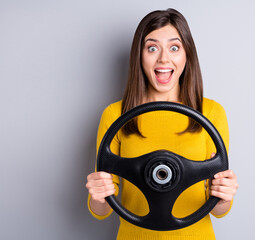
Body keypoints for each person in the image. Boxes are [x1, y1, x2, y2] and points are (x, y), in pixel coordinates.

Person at [86, 8, 239, 239]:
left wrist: (224, 195)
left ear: (187, 55)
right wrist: (98, 195)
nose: (164, 59)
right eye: (152, 47)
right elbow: (101, 211)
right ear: (140, 55)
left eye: (174, 48)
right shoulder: (115, 114)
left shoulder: (211, 113)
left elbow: (219, 210)